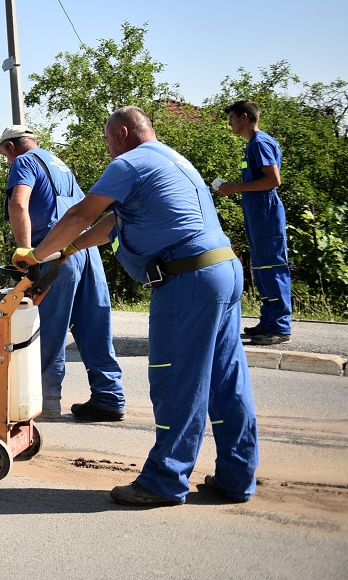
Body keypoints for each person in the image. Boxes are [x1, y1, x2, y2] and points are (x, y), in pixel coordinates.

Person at [13, 106, 258, 507]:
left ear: (123, 133)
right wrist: (68, 250)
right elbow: (112, 224)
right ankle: (236, 476)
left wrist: (37, 254)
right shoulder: (172, 158)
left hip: (186, 278)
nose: (108, 148)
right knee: (225, 381)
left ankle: (164, 480)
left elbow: (79, 214)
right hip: (224, 271)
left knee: (176, 380)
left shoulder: (128, 163)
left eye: (109, 140)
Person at [0, 124, 125, 421]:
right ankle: (109, 396)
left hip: (55, 253)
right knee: (94, 325)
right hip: (85, 249)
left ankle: (45, 403)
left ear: (11, 147)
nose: (6, 160)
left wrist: (25, 251)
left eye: (4, 154)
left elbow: (18, 203)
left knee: (48, 328)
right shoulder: (58, 163)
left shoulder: (24, 162)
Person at [214, 100, 293, 346]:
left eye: (233, 118)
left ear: (245, 117)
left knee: (272, 268)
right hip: (258, 217)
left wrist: (233, 188)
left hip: (267, 215)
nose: (230, 123)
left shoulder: (260, 143)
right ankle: (268, 322)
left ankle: (280, 327)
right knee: (261, 269)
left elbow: (273, 180)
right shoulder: (253, 145)